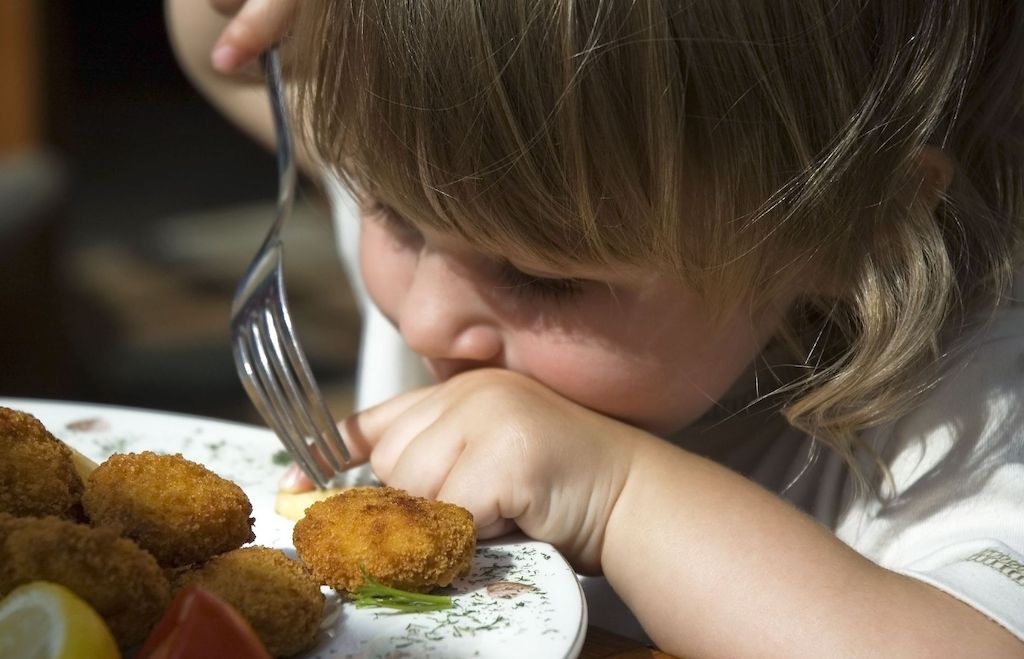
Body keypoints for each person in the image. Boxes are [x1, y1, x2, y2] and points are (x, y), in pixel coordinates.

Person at [166, 1, 1024, 655]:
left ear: (853, 225)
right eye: (390, 216)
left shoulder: (975, 422)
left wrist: (619, 495)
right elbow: (231, 59)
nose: (425, 318)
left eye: (545, 278)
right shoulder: (449, 187)